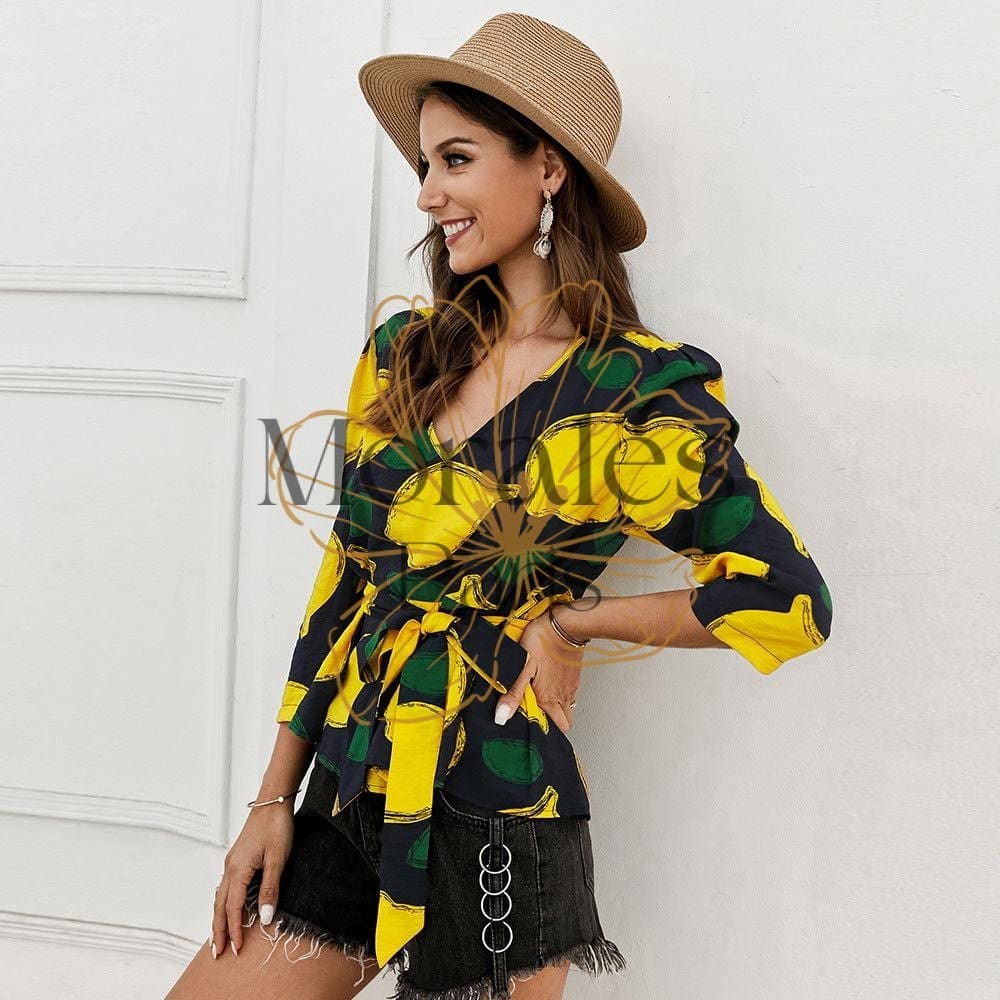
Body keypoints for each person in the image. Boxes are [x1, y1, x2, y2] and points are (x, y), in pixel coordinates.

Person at [165, 12, 832, 1000]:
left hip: (498, 821)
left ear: (547, 168)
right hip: (351, 786)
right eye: (425, 164)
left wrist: (573, 623)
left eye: (457, 159)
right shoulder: (405, 355)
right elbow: (345, 579)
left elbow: (787, 596)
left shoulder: (636, 392)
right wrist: (273, 797)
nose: (427, 193)